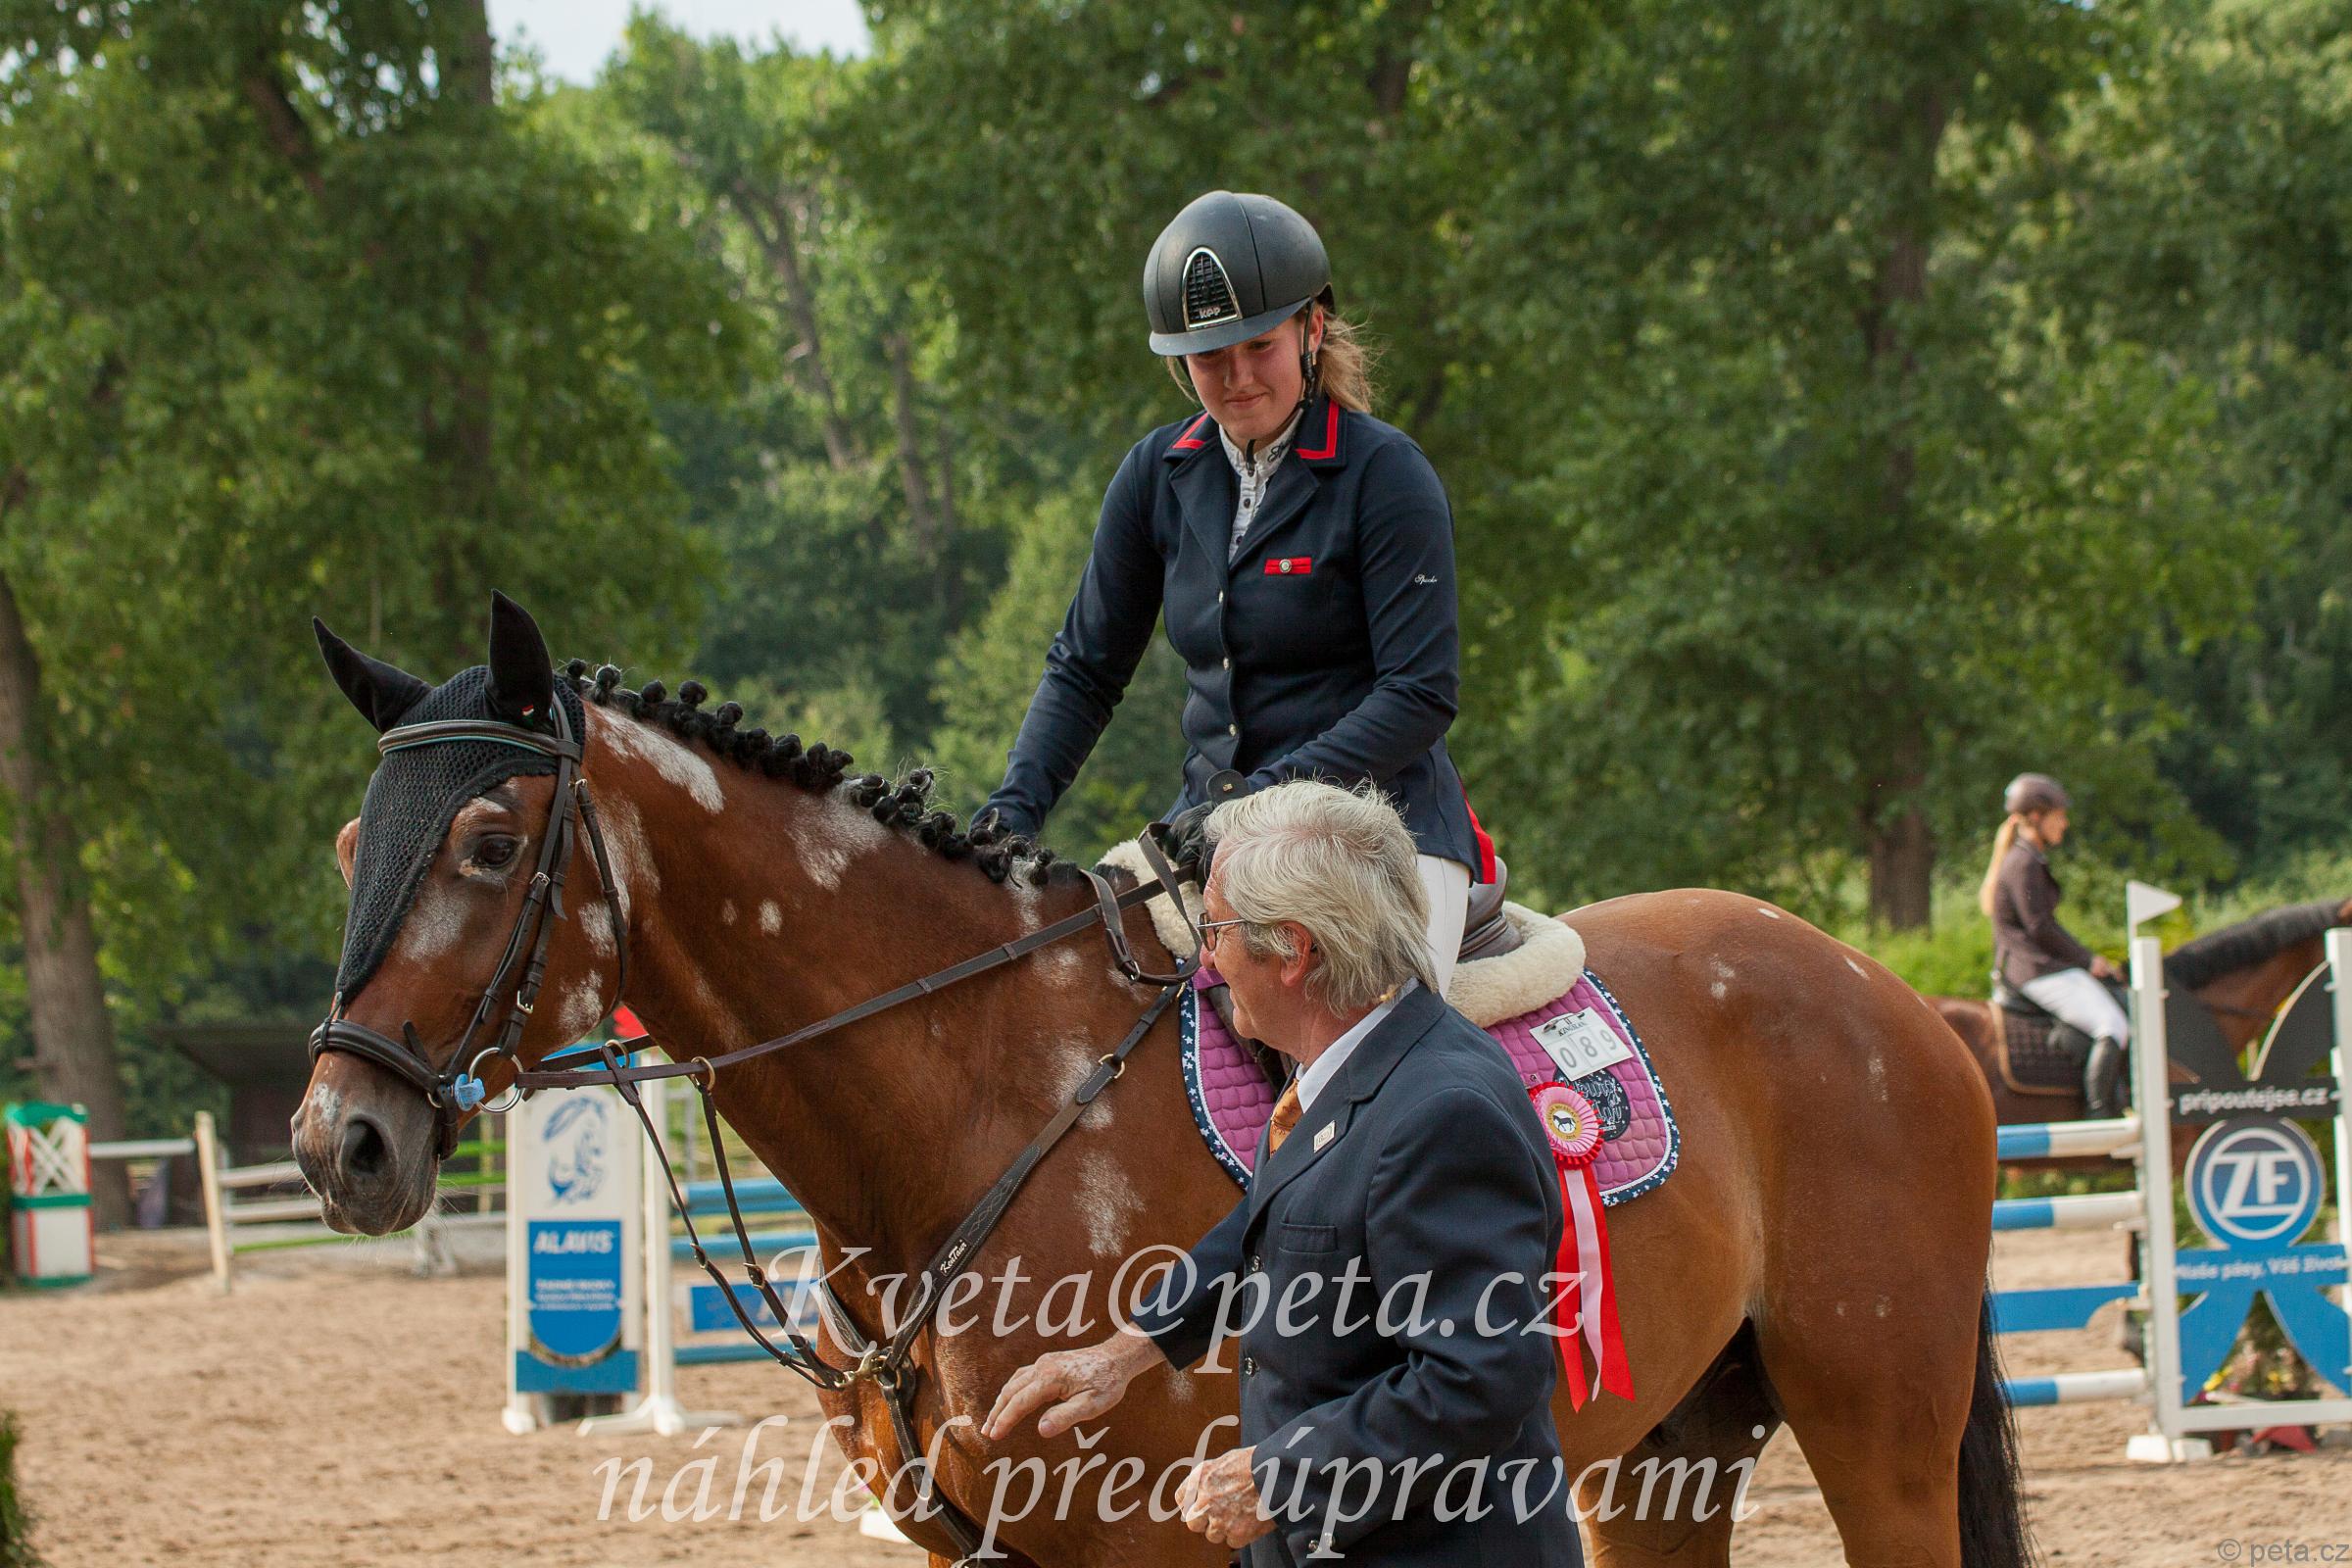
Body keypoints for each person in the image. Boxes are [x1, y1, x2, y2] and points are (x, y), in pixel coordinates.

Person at [982, 781, 1580, 1566]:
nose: (1205, 957)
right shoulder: (1336, 1067)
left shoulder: (1444, 1114)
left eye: (1216, 929)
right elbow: (1272, 1230)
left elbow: (1480, 1377)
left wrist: (1278, 1478)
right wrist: (1125, 1353)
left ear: (1295, 950)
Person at [976, 189, 1490, 994]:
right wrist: (1008, 820)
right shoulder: (1156, 474)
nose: (1238, 377)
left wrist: (1259, 802)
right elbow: (1085, 669)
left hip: (1383, 838)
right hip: (1210, 842)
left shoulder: (1386, 475)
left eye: (1259, 346)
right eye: (1211, 357)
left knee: (1376, 1051)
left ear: (1311, 329)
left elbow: (1419, 691)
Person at [1980, 771, 2129, 1117]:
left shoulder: (2027, 859)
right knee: (2112, 1026)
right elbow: (2040, 927)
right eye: (2059, 816)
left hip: (2038, 966)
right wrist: (2088, 960)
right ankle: (2100, 1114)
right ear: (2036, 817)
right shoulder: (2024, 863)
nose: (2064, 823)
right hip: (2033, 971)